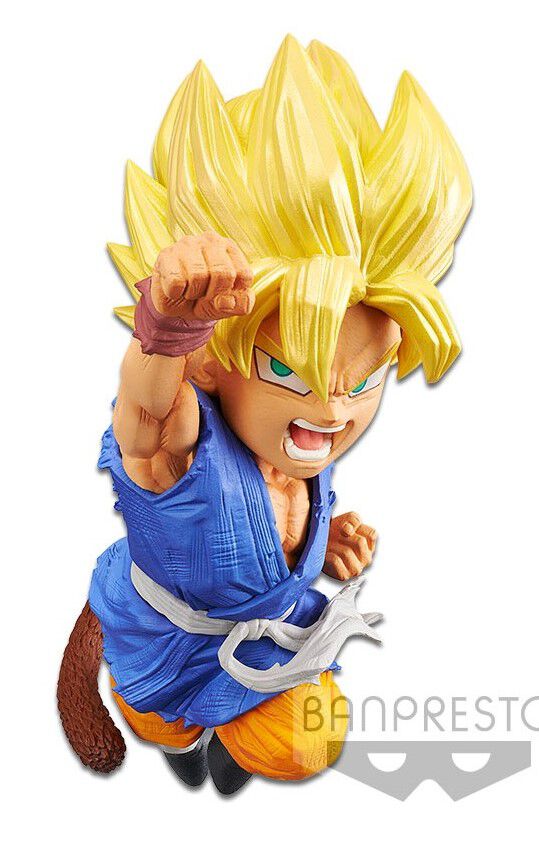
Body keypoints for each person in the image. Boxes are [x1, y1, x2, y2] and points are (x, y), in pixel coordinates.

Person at [57, 35, 471, 795]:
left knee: (307, 739)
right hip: (169, 641)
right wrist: (167, 331)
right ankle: (169, 727)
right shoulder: (184, 443)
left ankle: (225, 742)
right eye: (285, 368)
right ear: (213, 360)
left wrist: (321, 538)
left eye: (365, 378)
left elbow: (281, 504)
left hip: (265, 636)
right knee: (164, 723)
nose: (333, 407)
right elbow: (145, 414)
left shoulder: (294, 443)